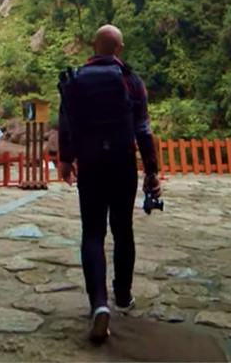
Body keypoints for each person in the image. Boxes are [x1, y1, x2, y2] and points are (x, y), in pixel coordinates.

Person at [57, 24, 161, 344]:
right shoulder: (131, 80)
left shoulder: (75, 80)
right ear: (120, 48)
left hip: (90, 163)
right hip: (122, 163)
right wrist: (152, 171)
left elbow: (66, 122)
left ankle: (99, 304)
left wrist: (65, 159)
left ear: (94, 46)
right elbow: (143, 128)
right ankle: (124, 295)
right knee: (122, 228)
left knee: (92, 232)